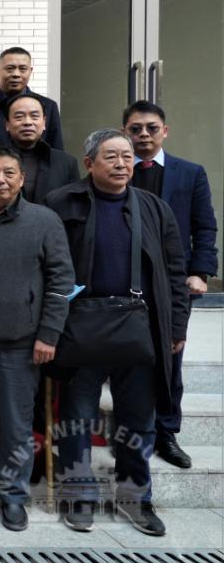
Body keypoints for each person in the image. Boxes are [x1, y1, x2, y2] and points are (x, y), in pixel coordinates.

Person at [47, 129, 189, 537]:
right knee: (77, 417)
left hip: (139, 328)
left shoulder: (154, 208)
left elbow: (175, 271)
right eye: (111, 156)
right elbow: (47, 268)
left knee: (139, 418)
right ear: (89, 162)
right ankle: (78, 498)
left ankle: (136, 498)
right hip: (81, 327)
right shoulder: (61, 203)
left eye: (127, 156)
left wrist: (176, 326)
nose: (122, 163)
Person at [0, 145, 74, 532]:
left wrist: (49, 333)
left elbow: (61, 281)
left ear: (22, 179)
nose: (0, 180)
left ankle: (13, 495)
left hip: (21, 342)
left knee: (16, 423)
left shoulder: (44, 221)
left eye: (8, 173)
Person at [123, 100, 218, 470]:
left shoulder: (190, 173)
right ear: (125, 132)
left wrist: (200, 272)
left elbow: (205, 226)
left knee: (170, 358)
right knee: (128, 360)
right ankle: (132, 432)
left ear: (165, 131)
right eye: (135, 129)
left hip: (173, 282)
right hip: (127, 281)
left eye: (151, 128)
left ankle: (166, 433)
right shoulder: (117, 168)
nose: (143, 135)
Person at [0, 94, 78, 205]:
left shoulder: (66, 163)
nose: (27, 122)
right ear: (7, 124)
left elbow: (72, 207)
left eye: (34, 116)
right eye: (19, 117)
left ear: (44, 122)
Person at [0, 47, 64, 153]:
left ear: (30, 71)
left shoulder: (49, 106)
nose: (16, 74)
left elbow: (57, 152)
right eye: (10, 69)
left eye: (22, 69)